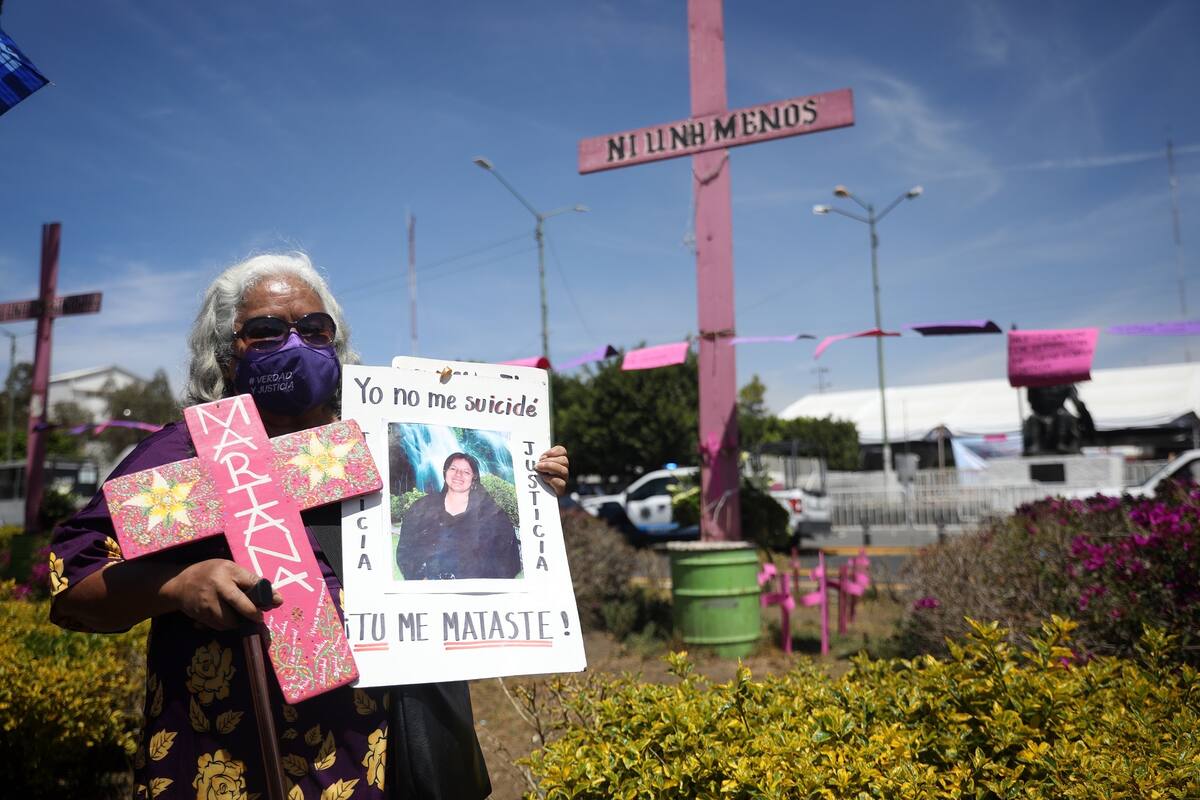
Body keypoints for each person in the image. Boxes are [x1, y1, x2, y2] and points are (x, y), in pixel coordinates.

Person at [47, 252, 570, 800]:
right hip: (233, 765)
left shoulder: (372, 441)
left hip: (381, 761)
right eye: (268, 331)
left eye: (315, 328)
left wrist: (534, 483)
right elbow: (74, 580)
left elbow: (457, 533)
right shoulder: (185, 454)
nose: (296, 344)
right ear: (228, 354)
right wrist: (178, 586)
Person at [396, 452, 521, 580]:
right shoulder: (421, 508)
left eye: (466, 472)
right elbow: (406, 550)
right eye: (453, 469)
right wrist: (419, 578)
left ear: (474, 478)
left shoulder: (493, 515)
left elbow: (508, 559)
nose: (458, 475)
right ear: (445, 472)